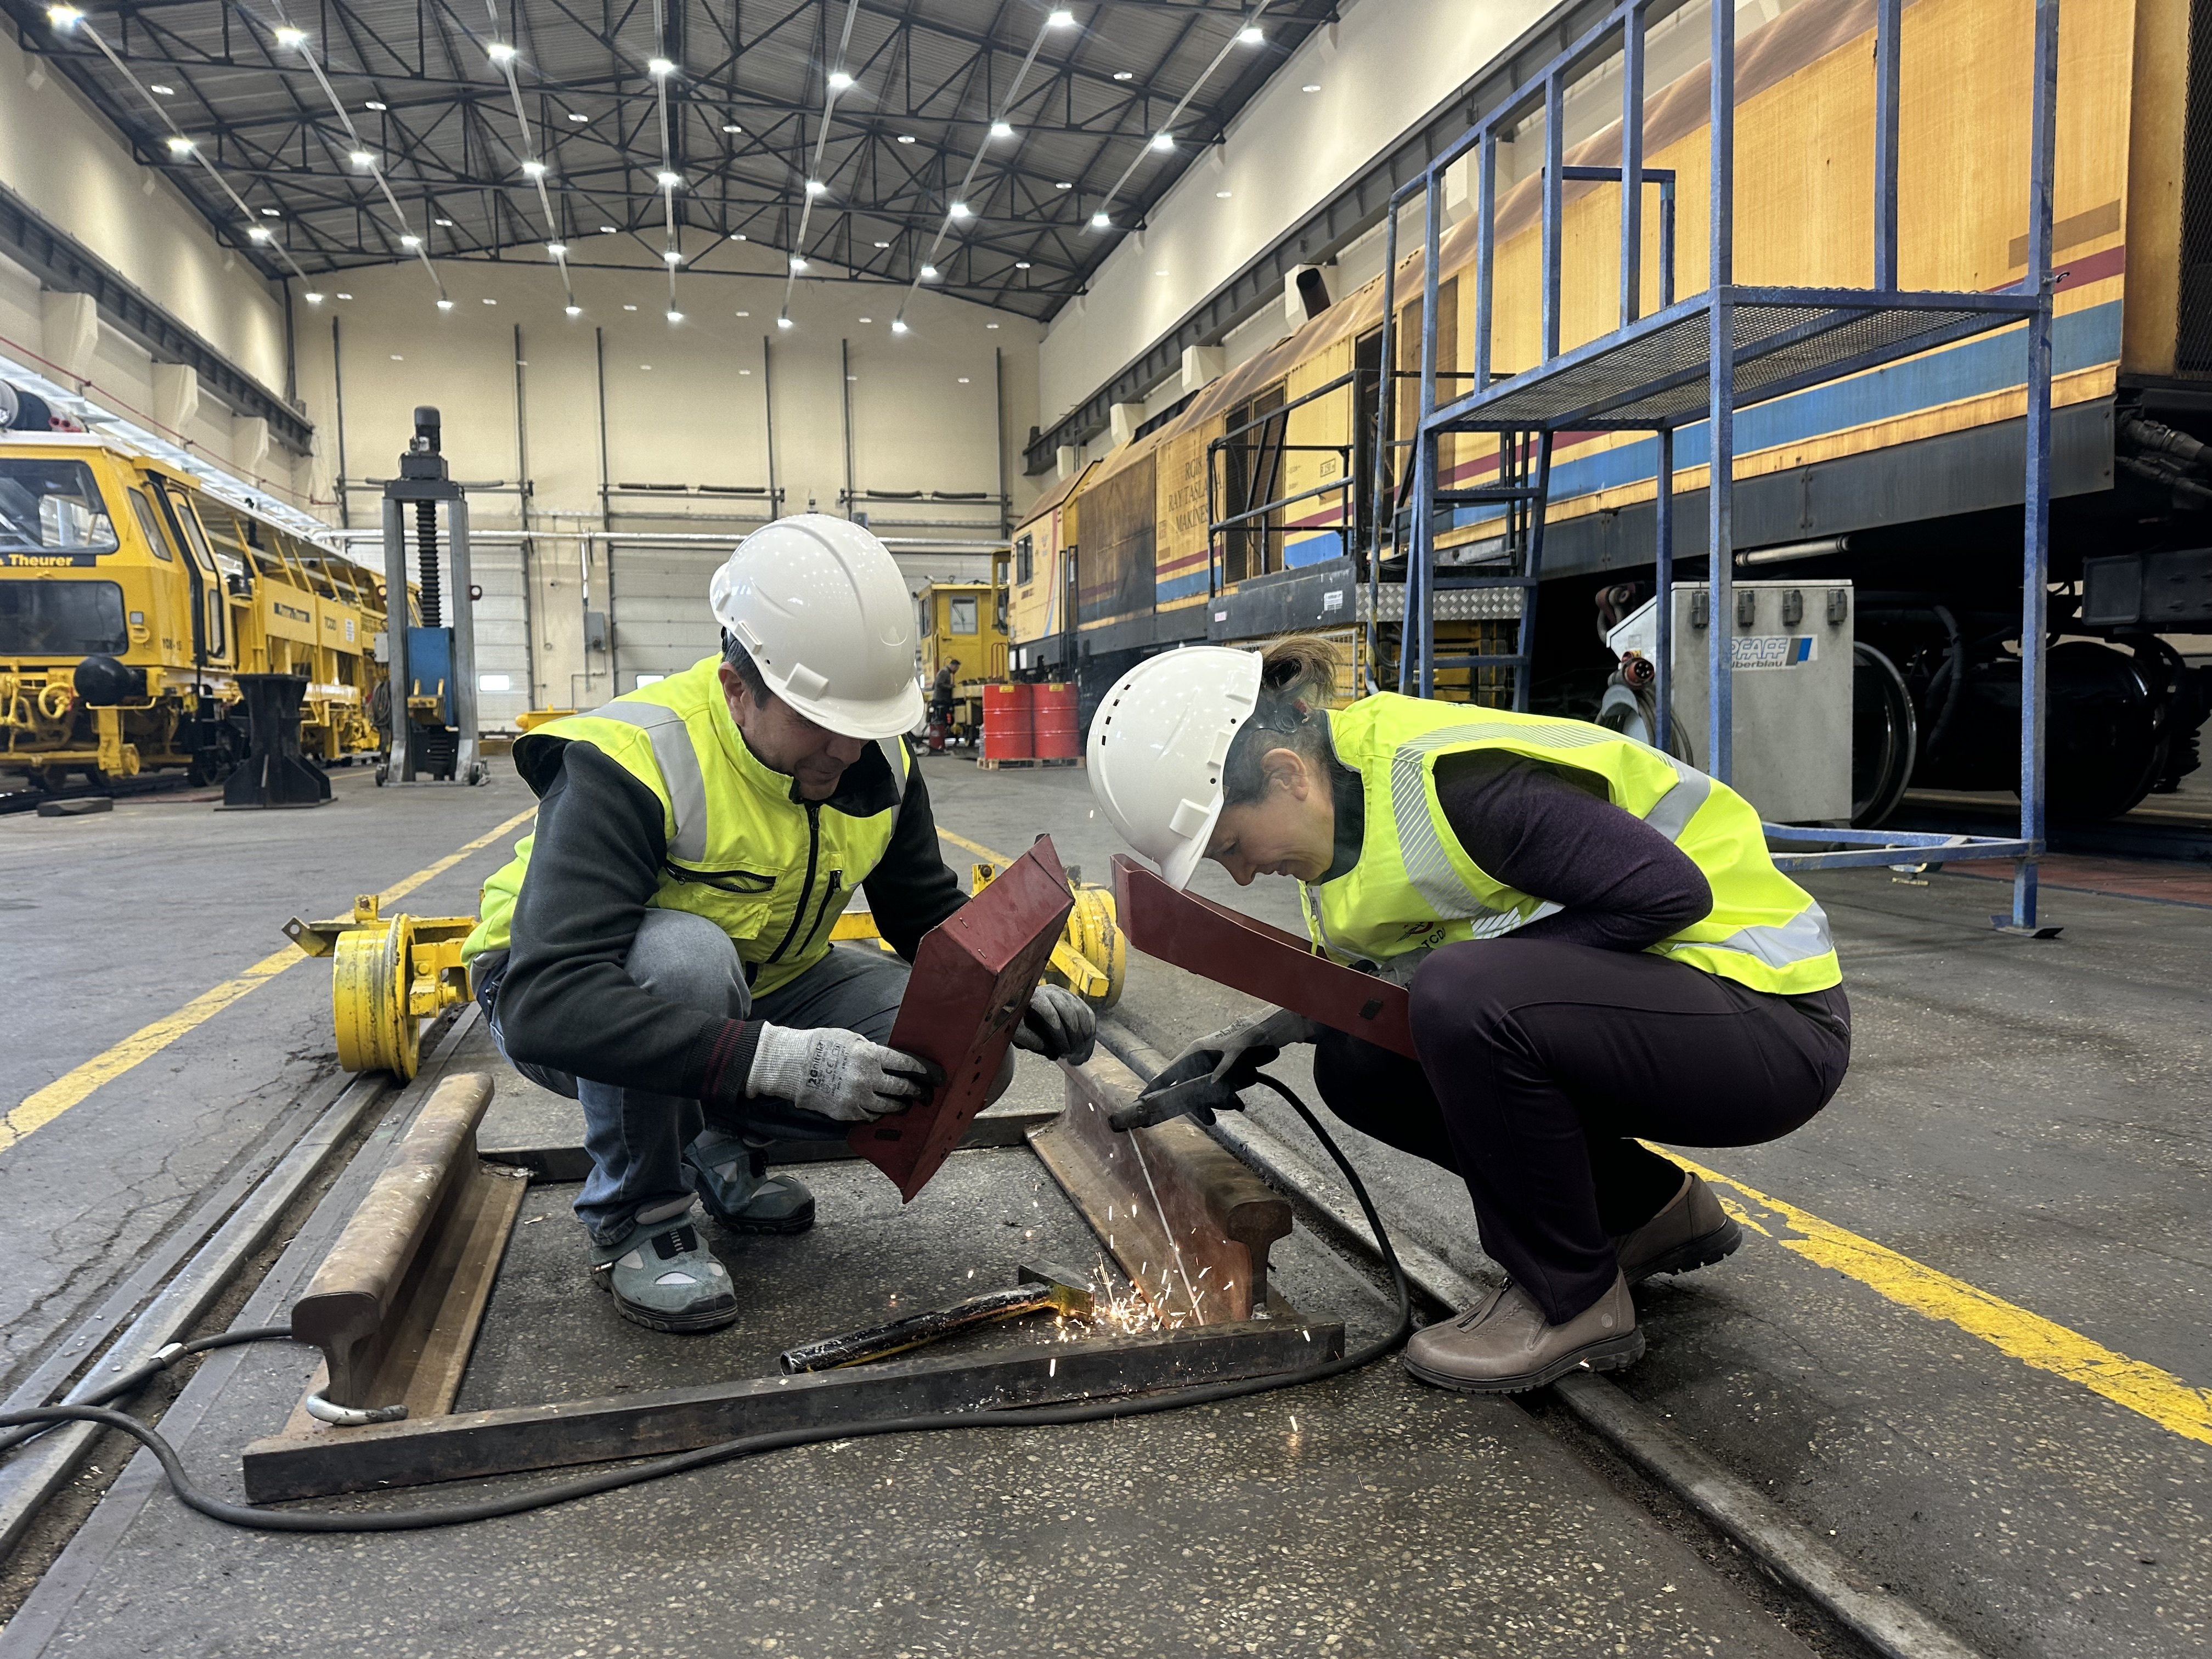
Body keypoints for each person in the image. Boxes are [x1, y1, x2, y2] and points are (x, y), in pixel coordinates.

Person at [1086, 636, 1848, 1393]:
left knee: (1460, 996)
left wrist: (1477, 989)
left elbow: (1670, 896)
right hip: (1668, 1007)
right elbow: (1411, 968)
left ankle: (1570, 1299)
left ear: (1285, 775)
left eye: (1230, 846)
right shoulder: (1344, 818)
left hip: (1765, 1015)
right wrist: (1265, 1030)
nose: (1244, 875)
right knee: (1362, 1062)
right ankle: (1644, 1210)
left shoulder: (1449, 782)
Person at [460, 516, 1095, 1334]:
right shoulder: (632, 758)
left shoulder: (879, 759)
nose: (842, 749)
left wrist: (1011, 985)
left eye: (862, 723)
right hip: (558, 987)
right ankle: (638, 1219)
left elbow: (920, 910)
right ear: (736, 689)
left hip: (765, 980)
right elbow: (552, 1000)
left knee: (964, 1047)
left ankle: (713, 1145)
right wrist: (777, 1059)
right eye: (814, 719)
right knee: (688, 961)